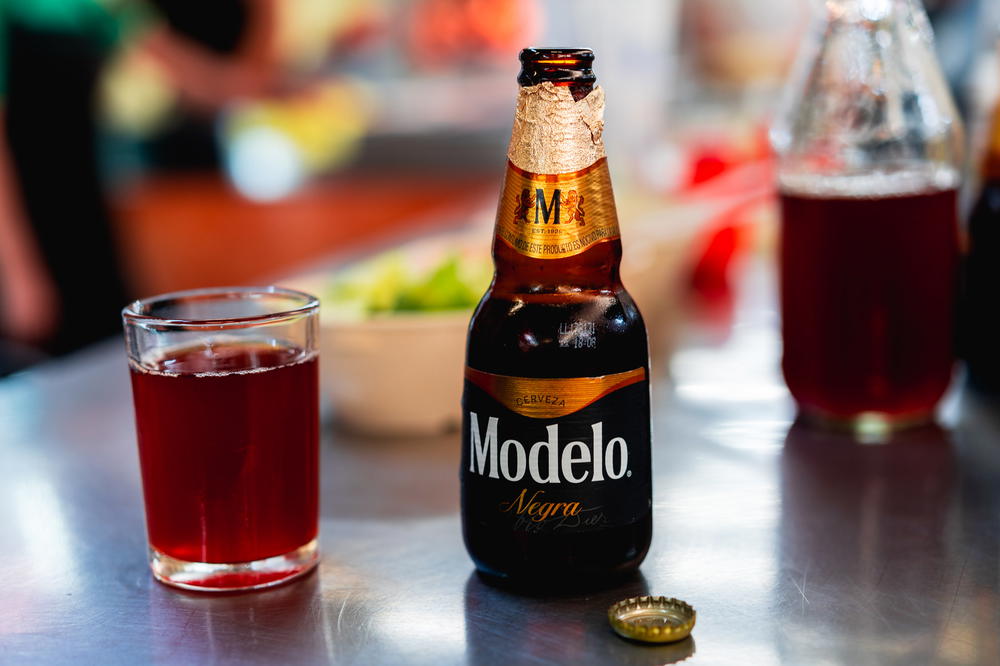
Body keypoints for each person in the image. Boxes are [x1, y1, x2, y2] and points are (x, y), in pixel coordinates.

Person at [0, 0, 278, 375]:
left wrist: (268, 86)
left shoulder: (96, 8)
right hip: (22, 224)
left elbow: (197, 80)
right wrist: (19, 272)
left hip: (86, 206)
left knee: (103, 346)